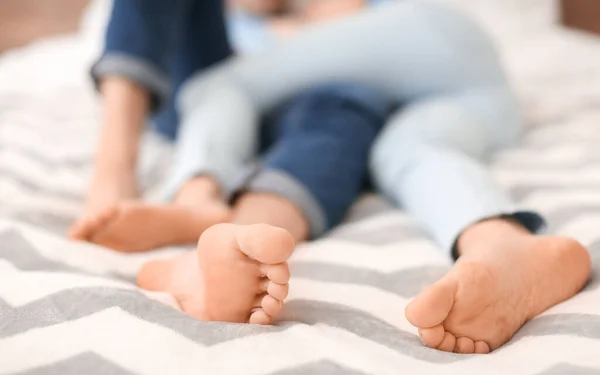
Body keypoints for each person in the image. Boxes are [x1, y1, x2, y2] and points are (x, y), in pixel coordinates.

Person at [75, 0, 592, 355]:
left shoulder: (330, 25)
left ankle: (198, 203)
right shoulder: (258, 47)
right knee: (410, 153)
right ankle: (501, 242)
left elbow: (223, 87)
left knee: (235, 88)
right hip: (472, 99)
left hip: (427, 44)